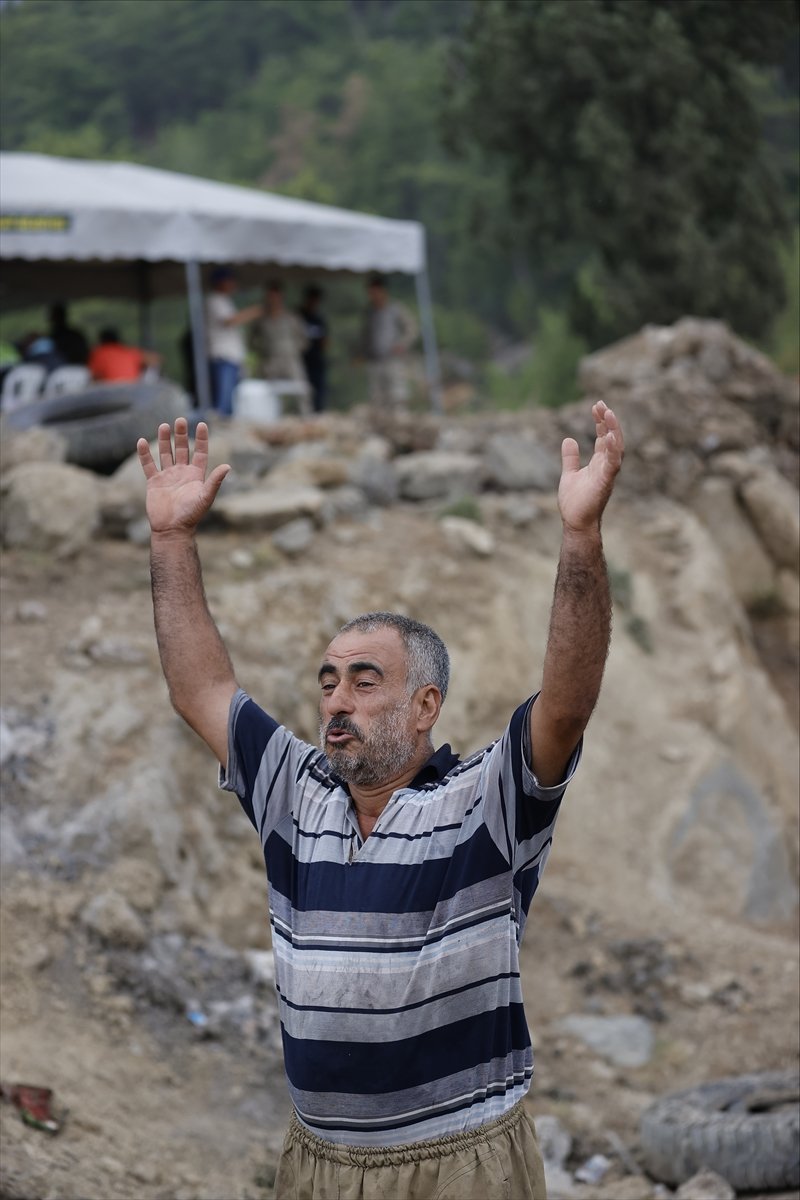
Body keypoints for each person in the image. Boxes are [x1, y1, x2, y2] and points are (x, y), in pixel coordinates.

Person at [136, 401, 624, 1200]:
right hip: (318, 1166)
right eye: (328, 681)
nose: (337, 701)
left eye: (365, 682)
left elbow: (566, 707)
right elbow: (201, 689)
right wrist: (170, 541)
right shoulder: (295, 793)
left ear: (426, 706)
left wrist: (580, 537)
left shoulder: (485, 803)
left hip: (461, 1168)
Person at [205, 267, 262, 417]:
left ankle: (225, 423)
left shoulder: (225, 300)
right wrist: (254, 311)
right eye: (229, 281)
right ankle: (218, 425)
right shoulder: (214, 300)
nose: (233, 284)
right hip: (223, 357)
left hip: (232, 357)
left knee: (231, 400)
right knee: (223, 401)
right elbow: (229, 320)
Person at [360, 273, 418, 415]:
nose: (373, 296)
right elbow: (365, 335)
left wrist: (402, 344)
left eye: (375, 292)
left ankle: (401, 421)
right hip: (375, 360)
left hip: (393, 360)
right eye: (370, 293)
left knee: (397, 396)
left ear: (383, 291)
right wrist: (363, 353)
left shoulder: (396, 309)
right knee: (377, 398)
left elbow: (412, 328)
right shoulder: (369, 312)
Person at [88, 327, 161, 382]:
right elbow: (155, 359)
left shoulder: (98, 353)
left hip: (110, 389)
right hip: (132, 387)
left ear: (101, 340)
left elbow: (93, 374)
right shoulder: (128, 351)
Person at [297, 284, 328, 413]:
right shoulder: (298, 317)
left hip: (317, 360)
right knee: (303, 389)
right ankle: (304, 412)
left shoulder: (319, 319)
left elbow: (325, 341)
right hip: (302, 360)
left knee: (318, 390)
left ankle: (318, 412)